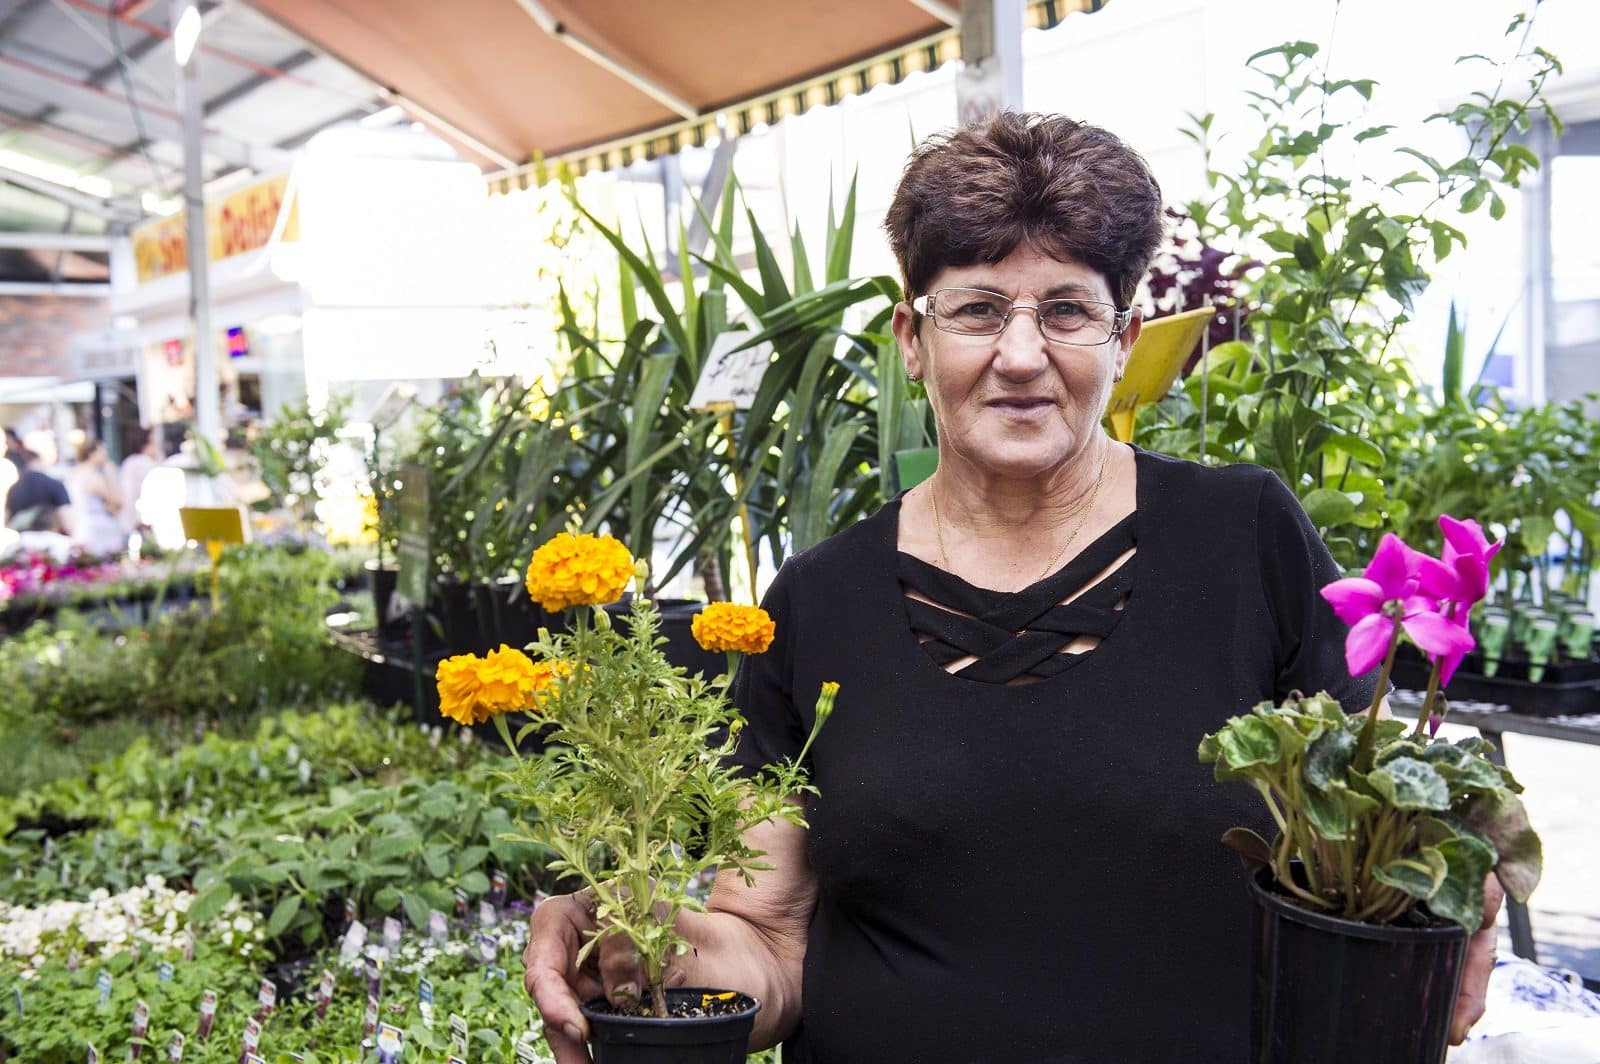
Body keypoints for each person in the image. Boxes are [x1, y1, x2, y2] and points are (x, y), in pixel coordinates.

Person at [522, 113, 1501, 1062]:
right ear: (912, 338)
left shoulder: (1244, 540)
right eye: (979, 308)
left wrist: (1452, 877)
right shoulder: (816, 603)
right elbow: (772, 944)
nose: (1022, 354)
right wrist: (639, 935)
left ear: (1124, 338)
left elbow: (1362, 842)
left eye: (1067, 309)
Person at [67, 437, 125, 556]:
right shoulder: (92, 477)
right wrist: (111, 475)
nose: (106, 456)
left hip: (80, 527)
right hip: (97, 530)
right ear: (92, 454)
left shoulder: (73, 475)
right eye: (102, 452)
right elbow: (118, 502)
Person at [4, 448, 73, 536]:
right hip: (50, 542)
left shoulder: (14, 488)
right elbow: (66, 520)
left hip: (22, 542)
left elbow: (7, 523)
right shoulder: (54, 485)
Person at [119, 428, 161, 536]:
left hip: (129, 520)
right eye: (154, 442)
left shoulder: (128, 462)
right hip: (142, 521)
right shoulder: (145, 464)